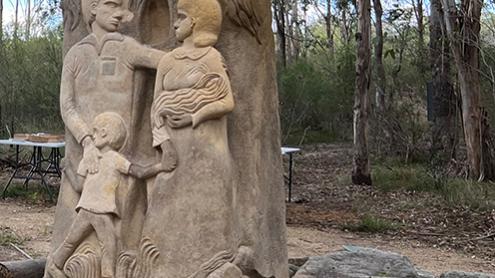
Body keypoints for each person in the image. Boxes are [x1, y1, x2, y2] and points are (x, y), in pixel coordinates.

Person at [144, 0, 241, 276]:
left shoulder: (211, 57)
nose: (175, 23)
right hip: (175, 150)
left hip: (208, 151)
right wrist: (163, 144)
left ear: (196, 22)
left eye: (182, 17)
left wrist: (193, 116)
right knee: (166, 205)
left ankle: (210, 266)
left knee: (208, 210)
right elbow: (155, 108)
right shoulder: (168, 60)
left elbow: (226, 101)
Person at [46, 112, 169, 278]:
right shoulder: (101, 159)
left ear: (104, 133)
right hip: (99, 213)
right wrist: (160, 167)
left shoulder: (112, 159)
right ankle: (106, 275)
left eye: (95, 131)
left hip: (87, 210)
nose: (93, 135)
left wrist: (161, 167)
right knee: (108, 247)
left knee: (72, 241)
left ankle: (55, 264)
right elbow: (139, 172)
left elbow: (78, 185)